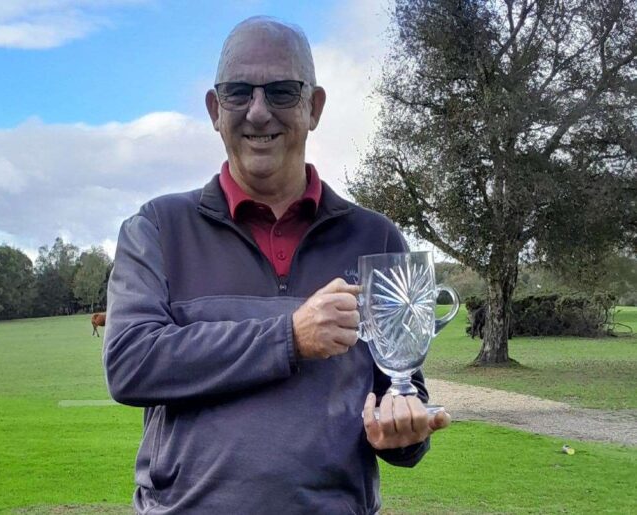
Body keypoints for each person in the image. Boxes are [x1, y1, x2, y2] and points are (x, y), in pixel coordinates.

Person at [103, 16, 450, 514]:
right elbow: (130, 364)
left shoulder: (376, 238)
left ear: (314, 107)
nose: (258, 112)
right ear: (214, 110)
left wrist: (404, 433)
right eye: (238, 92)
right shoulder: (157, 227)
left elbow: (401, 384)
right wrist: (288, 337)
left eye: (282, 92)